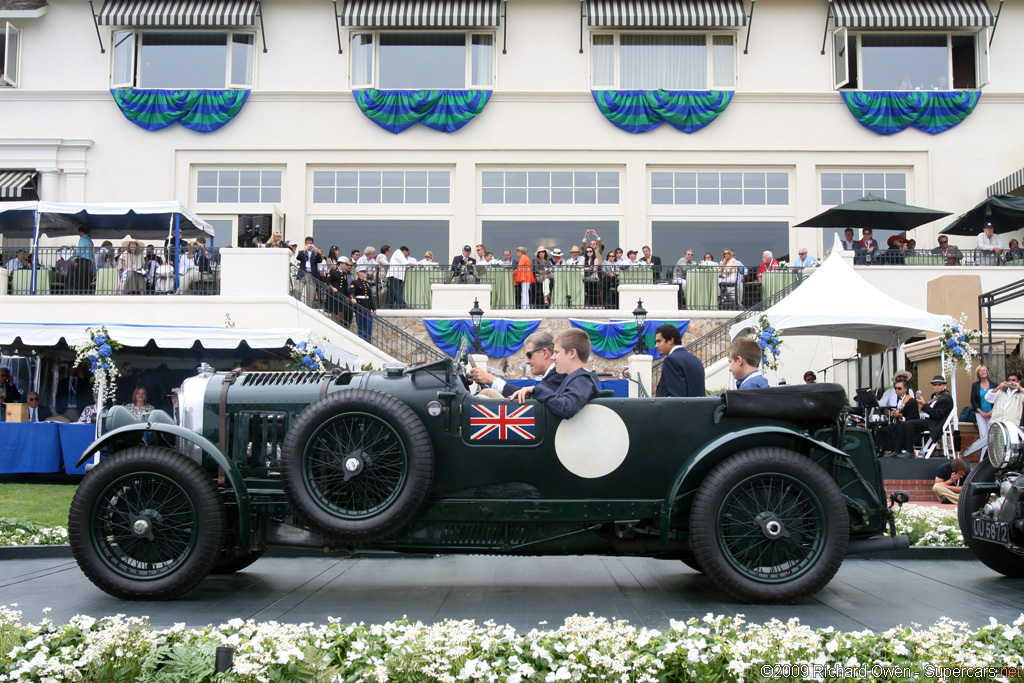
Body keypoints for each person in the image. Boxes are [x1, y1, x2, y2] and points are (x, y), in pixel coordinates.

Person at [509, 328, 601, 420]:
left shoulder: (582, 379)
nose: (553, 357)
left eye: (556, 352)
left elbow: (567, 408)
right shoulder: (575, 378)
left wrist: (536, 390)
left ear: (572, 353)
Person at [471, 330, 565, 398]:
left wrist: (492, 380)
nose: (527, 361)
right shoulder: (553, 375)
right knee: (486, 393)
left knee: (486, 394)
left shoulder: (558, 375)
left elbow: (528, 397)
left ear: (545, 353)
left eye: (529, 355)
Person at [893, 375, 954, 457]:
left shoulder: (946, 398)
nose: (937, 386)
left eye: (939, 384)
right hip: (930, 420)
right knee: (902, 424)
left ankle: (910, 451)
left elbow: (937, 414)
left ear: (944, 385)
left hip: (935, 423)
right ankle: (897, 450)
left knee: (909, 424)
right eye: (935, 385)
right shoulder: (935, 396)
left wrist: (924, 404)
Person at [654, 324, 705, 397]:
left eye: (659, 341)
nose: (656, 345)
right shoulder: (695, 359)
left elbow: (676, 398)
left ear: (671, 340)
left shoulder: (671, 360)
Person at [876, 378, 920, 455]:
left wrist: (901, 417)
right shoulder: (899, 400)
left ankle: (895, 450)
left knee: (893, 429)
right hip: (900, 424)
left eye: (899, 388)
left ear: (906, 389)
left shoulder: (912, 401)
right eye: (895, 388)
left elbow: (914, 417)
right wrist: (893, 414)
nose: (897, 390)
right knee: (881, 430)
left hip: (909, 426)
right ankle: (886, 450)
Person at [971, 365, 997, 457]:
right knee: (984, 437)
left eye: (984, 370)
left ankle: (992, 458)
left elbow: (998, 400)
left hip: (992, 414)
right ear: (978, 373)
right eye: (981, 371)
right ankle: (983, 459)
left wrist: (992, 412)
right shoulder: (975, 385)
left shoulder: (994, 385)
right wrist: (981, 412)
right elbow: (973, 400)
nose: (983, 372)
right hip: (980, 414)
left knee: (992, 436)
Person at [350, 265, 375, 342]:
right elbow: (352, 292)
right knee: (361, 327)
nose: (365, 273)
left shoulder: (366, 283)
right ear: (358, 273)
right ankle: (362, 342)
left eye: (365, 272)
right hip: (360, 307)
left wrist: (373, 308)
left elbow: (370, 296)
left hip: (367, 307)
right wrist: (353, 298)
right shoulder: (355, 282)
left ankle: (368, 341)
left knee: (368, 327)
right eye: (363, 272)